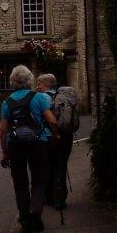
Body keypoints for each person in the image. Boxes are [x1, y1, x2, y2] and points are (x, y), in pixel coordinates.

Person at [0, 65, 59, 233]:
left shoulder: (7, 102)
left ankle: (25, 220)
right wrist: (55, 136)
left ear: (12, 81)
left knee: (20, 182)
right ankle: (36, 211)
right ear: (29, 80)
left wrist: (4, 152)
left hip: (15, 144)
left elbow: (3, 130)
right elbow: (52, 121)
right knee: (40, 178)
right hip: (38, 142)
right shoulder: (38, 97)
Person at [37, 73, 78, 209]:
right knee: (61, 166)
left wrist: (54, 134)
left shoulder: (43, 98)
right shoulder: (64, 96)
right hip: (66, 135)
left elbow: (47, 119)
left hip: (52, 136)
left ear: (46, 84)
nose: (37, 87)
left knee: (49, 166)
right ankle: (60, 199)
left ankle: (50, 198)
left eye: (39, 84)